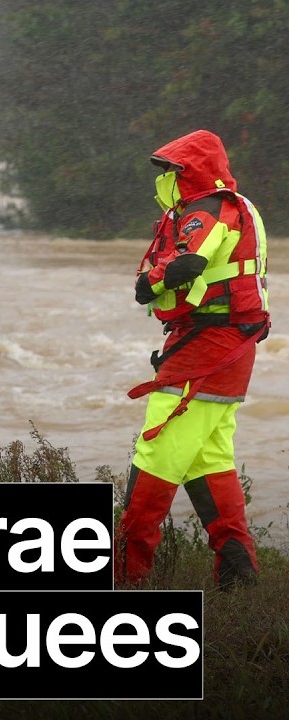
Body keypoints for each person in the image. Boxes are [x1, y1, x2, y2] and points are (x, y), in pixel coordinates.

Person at [115, 129, 270, 589]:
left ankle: (126, 577)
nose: (163, 179)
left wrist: (148, 284)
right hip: (226, 347)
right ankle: (239, 578)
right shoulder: (233, 206)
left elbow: (188, 263)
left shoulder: (206, 210)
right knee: (209, 459)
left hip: (208, 348)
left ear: (189, 172)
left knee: (155, 455)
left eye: (170, 171)